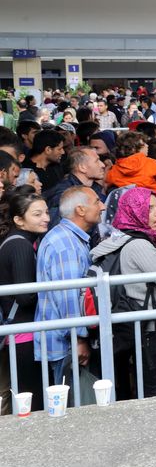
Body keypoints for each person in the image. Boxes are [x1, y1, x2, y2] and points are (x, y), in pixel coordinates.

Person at [90, 186, 156, 399]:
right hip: (151, 327)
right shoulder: (139, 245)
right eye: (149, 208)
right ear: (134, 211)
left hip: (134, 325)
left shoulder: (118, 239)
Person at [34, 187, 104, 386]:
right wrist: (78, 340)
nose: (103, 206)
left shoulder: (70, 237)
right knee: (72, 407)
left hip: (65, 343)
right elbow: (68, 298)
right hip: (67, 346)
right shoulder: (66, 244)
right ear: (80, 210)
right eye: (97, 201)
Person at [0, 187, 48, 414]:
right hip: (23, 335)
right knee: (31, 400)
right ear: (19, 219)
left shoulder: (16, 241)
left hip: (19, 333)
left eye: (46, 212)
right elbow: (25, 295)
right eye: (37, 215)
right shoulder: (20, 245)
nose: (46, 218)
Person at [105, 131, 156, 205]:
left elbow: (107, 181)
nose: (147, 146)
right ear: (133, 149)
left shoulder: (115, 168)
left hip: (131, 205)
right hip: (155, 201)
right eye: (144, 144)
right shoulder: (149, 162)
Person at [24, 129, 66, 195]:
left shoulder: (57, 167)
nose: (63, 152)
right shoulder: (25, 171)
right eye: (59, 149)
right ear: (48, 150)